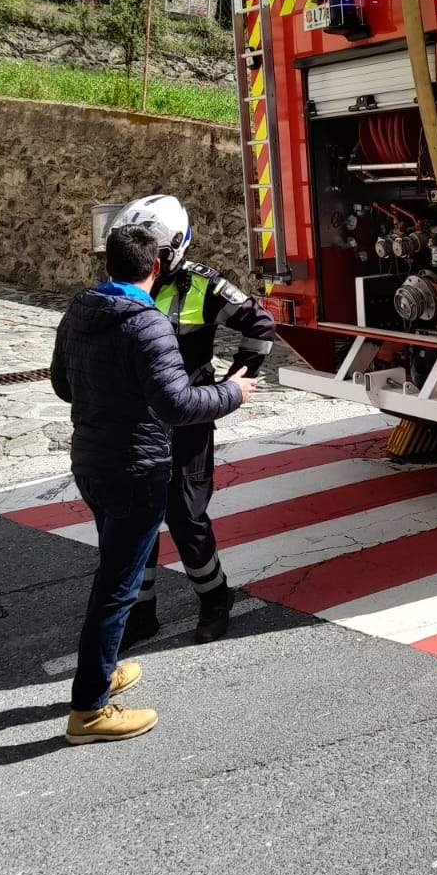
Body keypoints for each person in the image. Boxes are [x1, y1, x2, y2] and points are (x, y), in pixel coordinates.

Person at [50, 222, 253, 744]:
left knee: (116, 569)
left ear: (106, 265)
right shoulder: (149, 324)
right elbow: (177, 405)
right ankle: (89, 711)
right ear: (157, 266)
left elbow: (62, 385)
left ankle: (104, 670)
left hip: (90, 462)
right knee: (115, 588)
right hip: (136, 468)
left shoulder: (79, 309)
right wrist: (233, 392)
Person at [108, 196, 277, 648]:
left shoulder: (204, 284)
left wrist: (234, 382)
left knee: (185, 515)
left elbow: (260, 325)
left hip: (189, 418)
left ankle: (215, 599)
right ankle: (141, 612)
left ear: (175, 247)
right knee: (139, 514)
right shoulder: (126, 281)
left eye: (157, 252)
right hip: (140, 421)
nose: (150, 259)